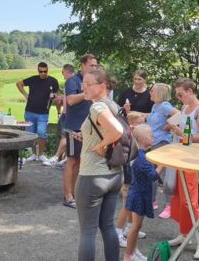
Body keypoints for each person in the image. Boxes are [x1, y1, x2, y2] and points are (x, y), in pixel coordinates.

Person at [74, 68, 123, 261]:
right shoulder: (113, 105)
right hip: (115, 174)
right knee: (108, 226)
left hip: (93, 176)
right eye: (82, 84)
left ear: (102, 86)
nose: (83, 88)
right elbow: (109, 131)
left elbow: (117, 130)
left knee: (87, 231)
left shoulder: (98, 107)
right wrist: (90, 139)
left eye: (88, 84)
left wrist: (100, 146)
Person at [169, 78, 199, 259]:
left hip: (193, 160)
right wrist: (173, 129)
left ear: (191, 91)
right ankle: (185, 234)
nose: (179, 98)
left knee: (190, 202)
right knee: (179, 198)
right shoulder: (184, 109)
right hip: (180, 157)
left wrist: (183, 134)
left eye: (181, 94)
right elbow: (174, 127)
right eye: (177, 95)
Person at [123, 124, 163, 261]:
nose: (153, 137)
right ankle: (128, 255)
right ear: (142, 139)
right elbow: (153, 176)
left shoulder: (139, 154)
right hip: (139, 195)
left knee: (136, 226)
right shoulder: (142, 158)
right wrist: (162, 165)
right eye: (150, 135)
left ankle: (134, 251)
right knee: (135, 227)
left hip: (137, 193)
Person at [63, 54, 97, 208]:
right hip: (74, 127)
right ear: (82, 65)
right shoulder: (73, 80)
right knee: (72, 161)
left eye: (96, 66)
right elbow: (70, 100)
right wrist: (86, 93)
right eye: (91, 65)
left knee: (81, 161)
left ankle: (76, 193)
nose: (94, 68)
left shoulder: (91, 82)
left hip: (87, 128)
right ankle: (68, 196)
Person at [16, 62, 60, 163]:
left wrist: (57, 107)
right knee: (31, 134)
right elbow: (19, 83)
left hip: (43, 113)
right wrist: (25, 95)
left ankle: (40, 154)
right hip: (30, 111)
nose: (43, 73)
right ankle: (33, 154)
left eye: (45, 71)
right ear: (38, 71)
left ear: (48, 70)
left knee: (41, 134)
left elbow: (58, 97)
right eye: (41, 71)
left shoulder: (53, 81)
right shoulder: (33, 79)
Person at [146, 83, 179, 218]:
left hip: (162, 143)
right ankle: (153, 201)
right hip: (153, 143)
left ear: (159, 92)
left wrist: (167, 127)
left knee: (165, 176)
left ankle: (169, 206)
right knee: (152, 174)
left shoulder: (165, 105)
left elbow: (179, 115)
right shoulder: (156, 106)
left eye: (152, 91)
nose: (150, 93)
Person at [116, 111, 147, 248]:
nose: (144, 125)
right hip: (129, 173)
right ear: (132, 125)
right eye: (141, 123)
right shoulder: (130, 135)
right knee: (128, 204)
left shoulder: (134, 135)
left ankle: (129, 227)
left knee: (131, 203)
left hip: (132, 173)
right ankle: (118, 232)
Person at [44, 63, 75, 167]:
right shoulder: (72, 82)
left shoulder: (71, 82)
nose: (62, 74)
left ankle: (56, 157)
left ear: (67, 71)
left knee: (64, 137)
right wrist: (60, 98)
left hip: (68, 114)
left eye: (62, 72)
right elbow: (68, 98)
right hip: (65, 113)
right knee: (66, 137)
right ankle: (66, 158)